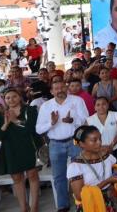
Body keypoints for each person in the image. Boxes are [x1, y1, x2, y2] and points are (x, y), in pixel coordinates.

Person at [36, 79, 89, 212]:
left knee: (81, 173)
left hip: (75, 141)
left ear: (67, 88)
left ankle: (83, 202)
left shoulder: (77, 101)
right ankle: (63, 205)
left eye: (62, 87)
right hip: (55, 144)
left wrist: (73, 120)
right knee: (59, 176)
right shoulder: (46, 106)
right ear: (52, 91)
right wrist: (51, 123)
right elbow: (38, 129)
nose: (60, 90)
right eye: (56, 88)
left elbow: (85, 118)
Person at [0, 89, 41, 212]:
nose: (11, 100)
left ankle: (34, 207)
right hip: (10, 149)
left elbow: (32, 129)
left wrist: (16, 121)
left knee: (32, 175)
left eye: (14, 96)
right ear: (4, 100)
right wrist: (6, 123)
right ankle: (24, 207)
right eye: (8, 98)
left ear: (20, 97)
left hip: (28, 147)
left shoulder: (30, 110)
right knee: (17, 178)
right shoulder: (0, 114)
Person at [67, 125, 117, 212]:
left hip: (112, 200)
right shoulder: (76, 166)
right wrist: (107, 181)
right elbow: (80, 196)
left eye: (100, 139)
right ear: (81, 144)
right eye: (94, 140)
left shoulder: (106, 156)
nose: (99, 142)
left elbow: (115, 168)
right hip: (91, 205)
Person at [87, 97, 117, 162]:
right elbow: (85, 137)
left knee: (116, 170)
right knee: (101, 171)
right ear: (94, 107)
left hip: (115, 149)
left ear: (108, 105)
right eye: (98, 105)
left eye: (104, 104)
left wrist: (111, 145)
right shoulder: (89, 120)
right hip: (97, 151)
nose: (101, 106)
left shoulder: (116, 115)